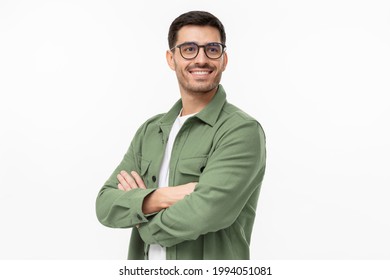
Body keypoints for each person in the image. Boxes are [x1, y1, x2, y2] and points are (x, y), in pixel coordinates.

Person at [95, 10, 266, 260]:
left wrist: (141, 217)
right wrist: (165, 196)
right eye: (189, 49)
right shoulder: (150, 131)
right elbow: (105, 205)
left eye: (212, 49)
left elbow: (205, 213)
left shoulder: (240, 130)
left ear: (224, 59)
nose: (201, 59)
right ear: (171, 58)